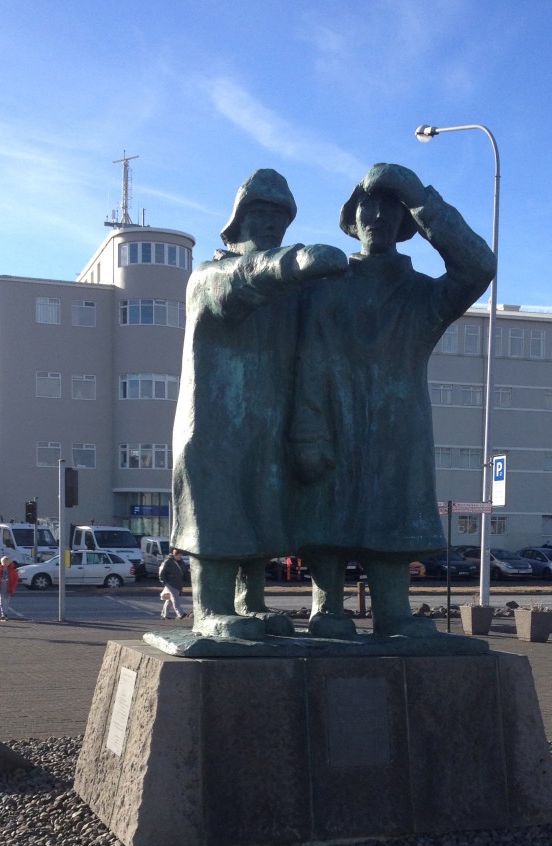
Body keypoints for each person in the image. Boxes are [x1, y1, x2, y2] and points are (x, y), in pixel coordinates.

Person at [290, 163, 496, 638]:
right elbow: (305, 363)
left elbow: (479, 266)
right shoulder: (323, 288)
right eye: (369, 204)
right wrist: (307, 427)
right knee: (327, 516)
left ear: (406, 223)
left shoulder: (420, 294)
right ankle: (327, 608)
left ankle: (394, 611)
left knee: (393, 518)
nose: (378, 215)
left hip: (397, 428)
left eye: (390, 206)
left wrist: (420, 197)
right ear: (353, 215)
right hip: (330, 420)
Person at [171, 168, 347, 640]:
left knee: (262, 506)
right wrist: (296, 262)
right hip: (213, 423)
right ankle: (210, 610)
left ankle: (251, 604)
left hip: (269, 422)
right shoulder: (210, 274)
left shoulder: (293, 298)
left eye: (279, 215)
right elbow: (242, 280)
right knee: (219, 510)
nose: (270, 223)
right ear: (239, 220)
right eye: (260, 212)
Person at [157, 548, 187, 620]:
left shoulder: (181, 562)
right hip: (170, 583)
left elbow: (185, 572)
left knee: (170, 599)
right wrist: (164, 581)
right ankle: (180, 614)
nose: (180, 557)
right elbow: (161, 572)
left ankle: (164, 615)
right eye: (179, 555)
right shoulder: (168, 562)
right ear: (175, 554)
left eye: (181, 555)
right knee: (175, 598)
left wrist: (187, 580)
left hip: (178, 583)